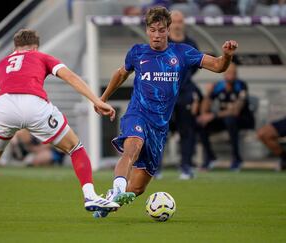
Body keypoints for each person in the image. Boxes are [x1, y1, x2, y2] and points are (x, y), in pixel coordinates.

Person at [0, 29, 119, 227]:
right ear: (35, 47)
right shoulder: (41, 56)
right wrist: (96, 100)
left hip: (4, 107)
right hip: (34, 105)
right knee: (75, 147)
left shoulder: (1, 64)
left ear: (14, 48)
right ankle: (90, 196)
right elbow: (71, 77)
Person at [93, 6, 238, 218]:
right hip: (138, 114)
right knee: (132, 146)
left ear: (169, 30)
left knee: (137, 188)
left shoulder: (182, 52)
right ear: (147, 30)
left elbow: (217, 66)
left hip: (159, 127)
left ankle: (110, 200)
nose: (157, 35)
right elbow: (121, 73)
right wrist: (102, 98)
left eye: (161, 30)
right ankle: (117, 189)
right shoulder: (137, 52)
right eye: (152, 30)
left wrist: (226, 56)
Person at [197, 63, 254, 171]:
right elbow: (204, 109)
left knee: (230, 121)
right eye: (229, 73)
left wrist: (212, 115)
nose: (231, 76)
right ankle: (210, 158)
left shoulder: (241, 85)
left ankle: (237, 159)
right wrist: (208, 94)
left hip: (243, 119)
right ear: (224, 74)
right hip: (223, 118)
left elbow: (236, 111)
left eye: (234, 73)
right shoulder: (219, 86)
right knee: (201, 123)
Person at [169, 10, 203, 180]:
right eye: (174, 21)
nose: (177, 24)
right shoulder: (163, 42)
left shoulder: (191, 44)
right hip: (165, 94)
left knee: (187, 131)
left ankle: (186, 167)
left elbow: (195, 67)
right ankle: (154, 168)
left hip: (185, 93)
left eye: (180, 21)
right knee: (160, 130)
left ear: (183, 23)